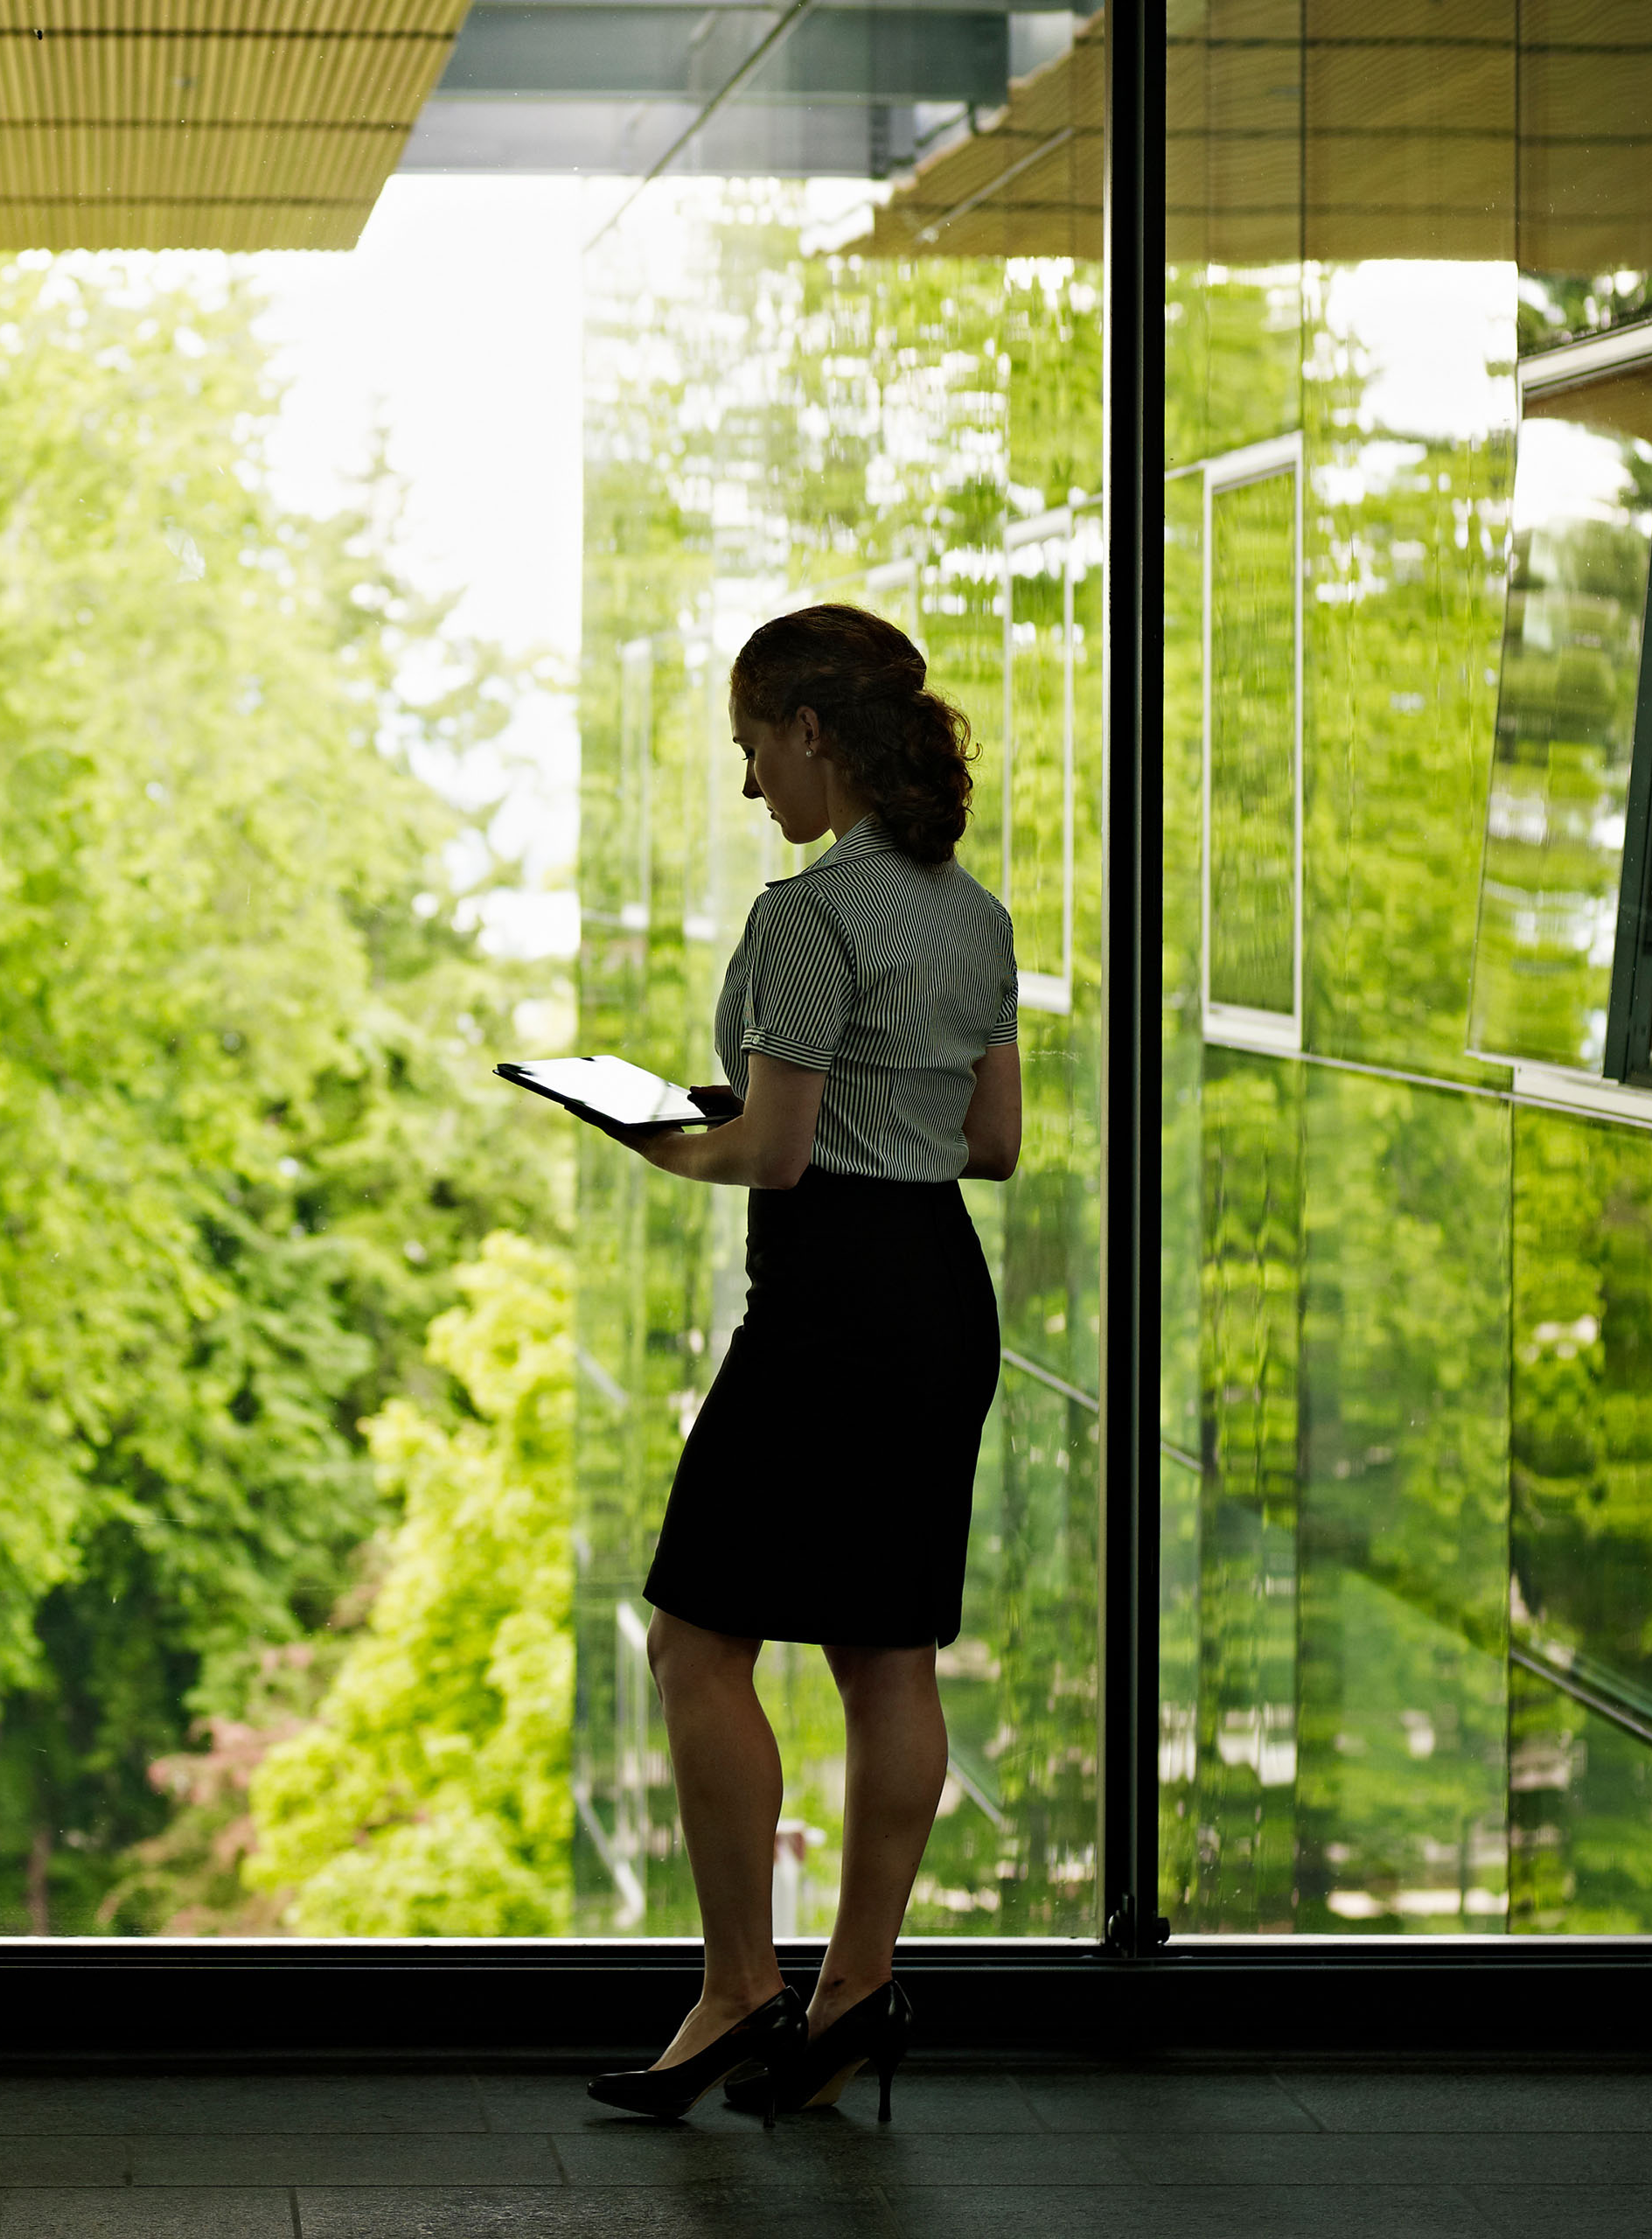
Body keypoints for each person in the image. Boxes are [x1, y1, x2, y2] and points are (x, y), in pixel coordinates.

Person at [575, 603, 1018, 2124]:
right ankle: (850, 1996)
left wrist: (657, 1139)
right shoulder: (975, 916)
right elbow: (993, 1144)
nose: (754, 785)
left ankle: (736, 1986)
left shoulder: (806, 919)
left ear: (812, 735)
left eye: (756, 747)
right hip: (941, 1296)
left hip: (828, 1299)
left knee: (697, 1637)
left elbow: (772, 1153)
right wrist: (825, 1117)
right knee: (888, 1655)